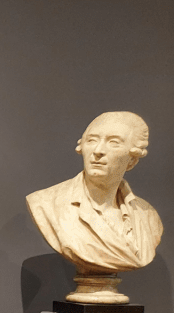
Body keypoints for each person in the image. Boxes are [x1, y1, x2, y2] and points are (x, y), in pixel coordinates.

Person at [26, 111, 162, 277]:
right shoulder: (46, 203)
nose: (98, 151)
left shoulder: (147, 216)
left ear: (132, 160)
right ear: (81, 147)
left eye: (113, 143)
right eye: (91, 140)